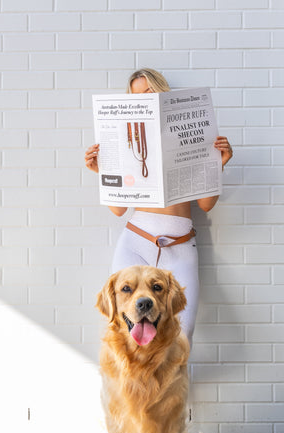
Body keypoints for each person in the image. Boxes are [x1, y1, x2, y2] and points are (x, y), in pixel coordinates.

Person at [85, 68, 233, 346]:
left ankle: (173, 391)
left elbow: (206, 205)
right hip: (135, 240)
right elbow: (118, 210)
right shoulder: (128, 140)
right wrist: (102, 172)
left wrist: (218, 164)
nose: (145, 98)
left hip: (180, 245)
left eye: (150, 91)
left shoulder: (191, 135)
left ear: (162, 92)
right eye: (137, 95)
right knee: (126, 335)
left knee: (182, 338)